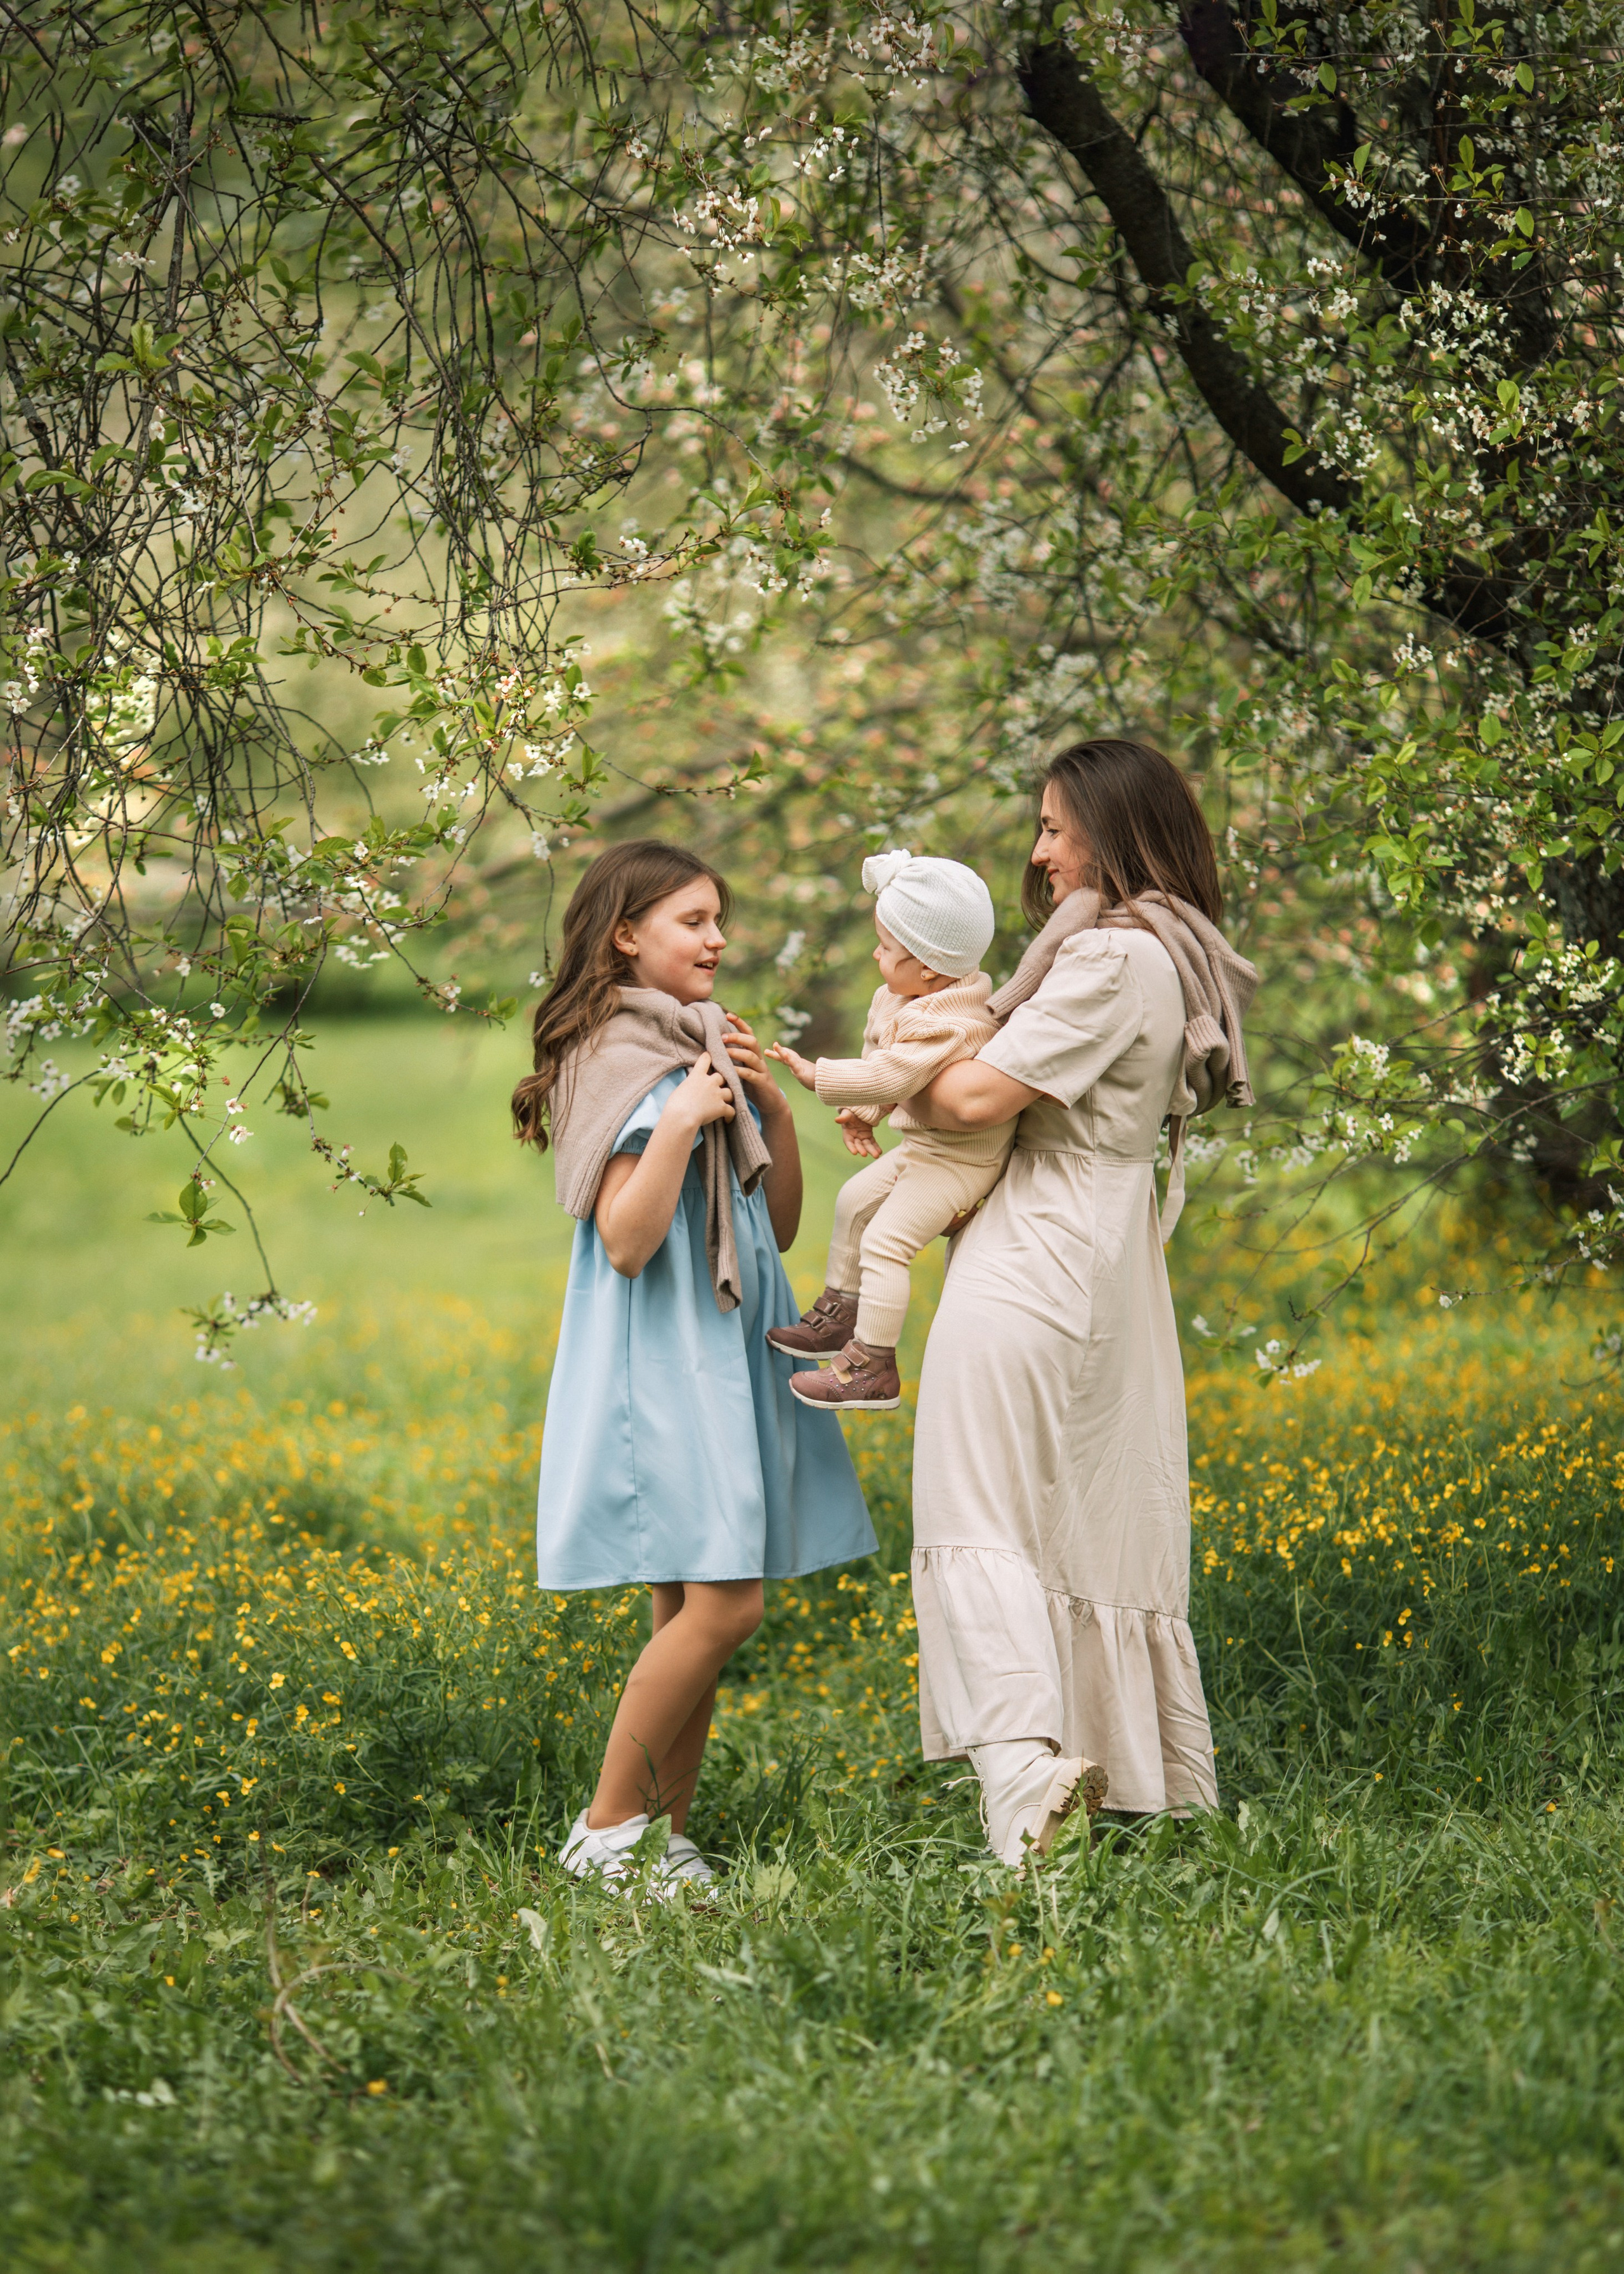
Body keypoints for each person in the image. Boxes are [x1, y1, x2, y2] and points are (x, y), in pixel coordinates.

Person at [905, 739, 1258, 1867]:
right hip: (1102, 1254)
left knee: (971, 1510)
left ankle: (1024, 1777)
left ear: (1112, 832)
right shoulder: (1163, 952)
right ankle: (1104, 1773)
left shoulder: (1111, 957)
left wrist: (901, 1054)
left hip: (1035, 1249)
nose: (1040, 852)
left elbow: (972, 1097)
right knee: (1077, 1516)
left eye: (1056, 827)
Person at [513, 841, 875, 1890]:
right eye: (694, 920)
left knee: (692, 1609)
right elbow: (628, 1240)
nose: (718, 939)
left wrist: (773, 1113)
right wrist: (677, 1119)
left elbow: (779, 1225)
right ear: (627, 935)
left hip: (724, 1346)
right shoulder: (615, 1058)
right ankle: (605, 1829)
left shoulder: (701, 1042)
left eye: (721, 919)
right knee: (727, 1604)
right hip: (664, 1359)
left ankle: (662, 1839)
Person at [766, 850, 1017, 1412]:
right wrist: (866, 1112)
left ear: (927, 966)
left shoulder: (953, 1021)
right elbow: (884, 1061)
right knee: (854, 1201)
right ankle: (843, 1312)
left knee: (886, 1241)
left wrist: (819, 1076)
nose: (875, 954)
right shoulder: (903, 996)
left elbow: (895, 1073)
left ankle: (872, 1366)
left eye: (885, 947)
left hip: (962, 1162)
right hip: (925, 1147)